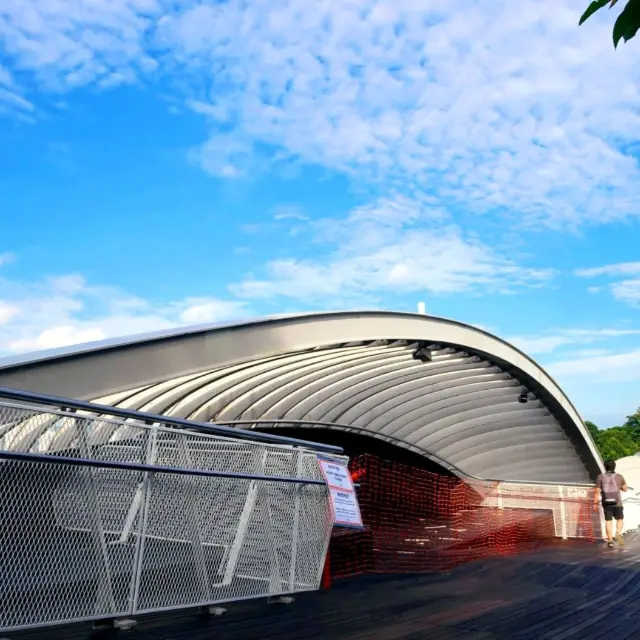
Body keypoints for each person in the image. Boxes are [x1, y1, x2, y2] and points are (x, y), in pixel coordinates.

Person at [593, 459, 628, 548]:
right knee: (620, 519)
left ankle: (610, 540)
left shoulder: (600, 477)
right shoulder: (620, 476)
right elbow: (625, 489)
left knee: (608, 521)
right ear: (614, 467)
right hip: (617, 503)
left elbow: (597, 491)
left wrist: (595, 503)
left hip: (606, 502)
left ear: (605, 467)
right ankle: (617, 533)